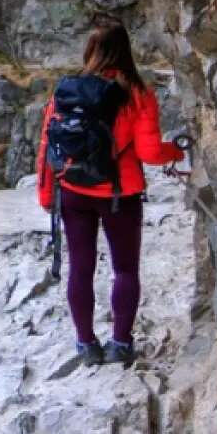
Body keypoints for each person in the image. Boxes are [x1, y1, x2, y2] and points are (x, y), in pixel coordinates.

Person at [36, 21, 184, 368]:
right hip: (120, 194)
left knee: (80, 269)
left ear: (90, 51)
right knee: (125, 270)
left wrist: (47, 194)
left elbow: (48, 144)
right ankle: (120, 343)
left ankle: (86, 344)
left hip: (72, 191)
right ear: (126, 50)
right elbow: (148, 153)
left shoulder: (66, 90)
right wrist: (175, 153)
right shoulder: (137, 94)